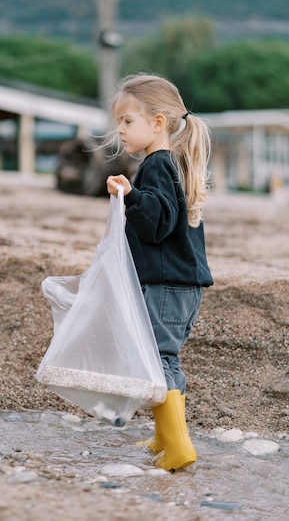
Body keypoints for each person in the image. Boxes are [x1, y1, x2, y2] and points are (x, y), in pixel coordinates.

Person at [106, 73, 213, 472]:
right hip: (178, 284)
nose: (120, 129)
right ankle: (165, 436)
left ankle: (179, 445)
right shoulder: (168, 164)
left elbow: (158, 223)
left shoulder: (156, 165)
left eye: (128, 121)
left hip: (170, 286)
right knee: (160, 359)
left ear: (158, 123)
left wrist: (131, 195)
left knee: (160, 360)